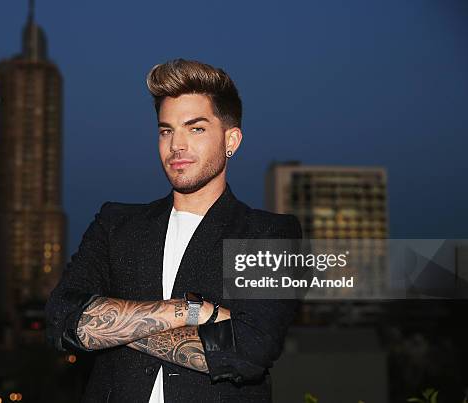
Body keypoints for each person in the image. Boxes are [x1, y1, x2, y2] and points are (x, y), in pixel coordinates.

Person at [45, 58, 303, 403]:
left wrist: (110, 325)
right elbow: (61, 317)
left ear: (232, 140)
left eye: (195, 128)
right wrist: (187, 311)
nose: (176, 145)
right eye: (166, 130)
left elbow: (249, 351)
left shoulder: (268, 234)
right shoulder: (116, 224)